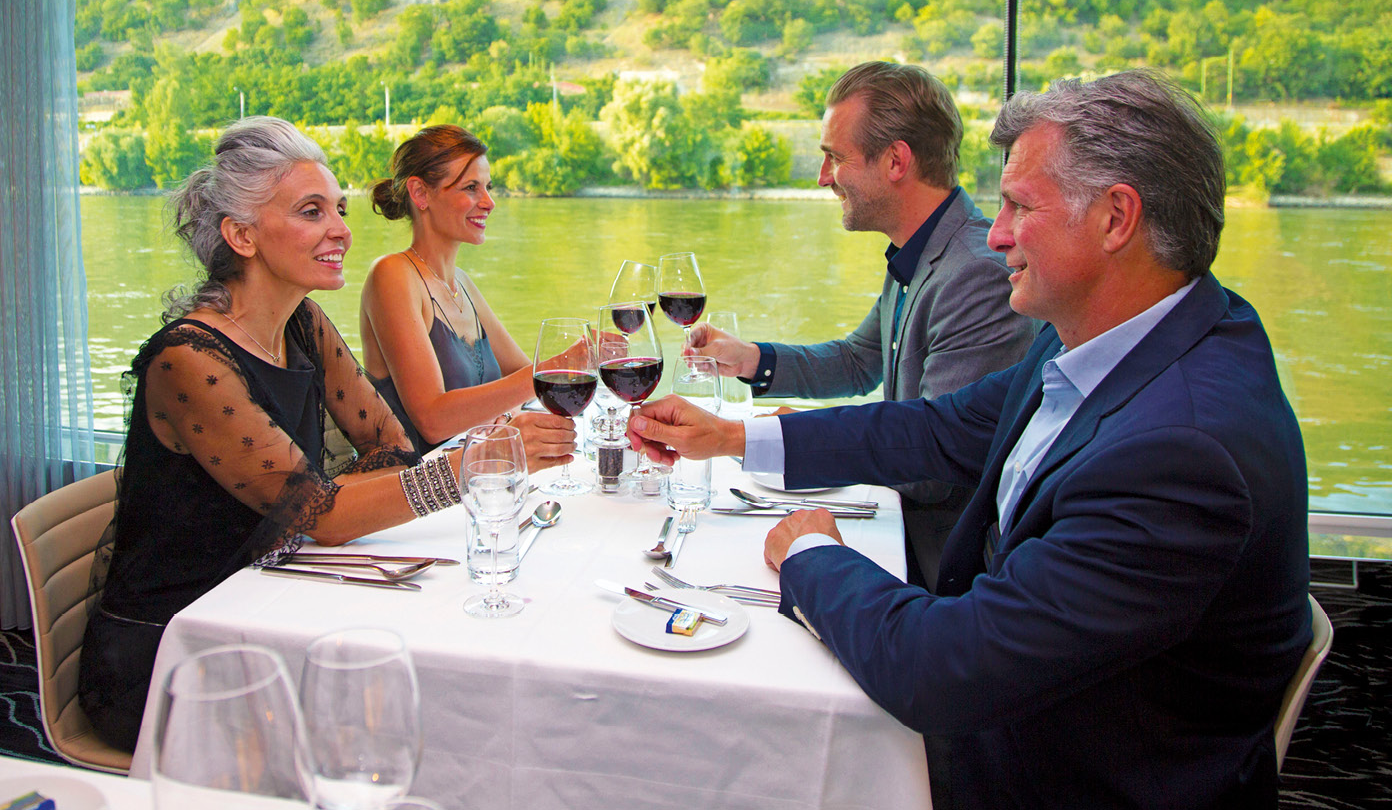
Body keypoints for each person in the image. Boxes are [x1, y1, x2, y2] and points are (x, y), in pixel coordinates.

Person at [630, 70, 1312, 809]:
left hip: (1058, 776)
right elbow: (937, 428)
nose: (994, 234)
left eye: (1019, 206)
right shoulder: (1102, 339)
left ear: (1116, 218)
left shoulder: (1182, 452)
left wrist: (809, 552)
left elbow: (941, 672)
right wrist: (735, 437)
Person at [79, 117, 516, 751]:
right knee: (403, 713)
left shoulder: (301, 323)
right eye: (312, 212)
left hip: (273, 600)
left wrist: (336, 508)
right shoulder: (190, 360)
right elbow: (325, 514)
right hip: (173, 652)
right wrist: (479, 466)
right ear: (241, 235)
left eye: (337, 209)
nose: (341, 229)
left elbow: (388, 442)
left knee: (432, 686)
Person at [688, 62, 1034, 589]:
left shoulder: (975, 274)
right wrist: (752, 359)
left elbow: (932, 469)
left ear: (896, 159)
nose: (824, 177)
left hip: (935, 566)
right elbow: (859, 360)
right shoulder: (921, 250)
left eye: (834, 157)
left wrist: (797, 436)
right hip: (894, 522)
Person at [359, 124, 574, 462]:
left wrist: (562, 370)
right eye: (471, 188)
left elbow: (522, 374)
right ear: (420, 194)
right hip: (419, 496)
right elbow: (433, 420)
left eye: (487, 187)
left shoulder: (463, 284)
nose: (488, 202)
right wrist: (558, 367)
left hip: (482, 478)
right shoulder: (392, 275)